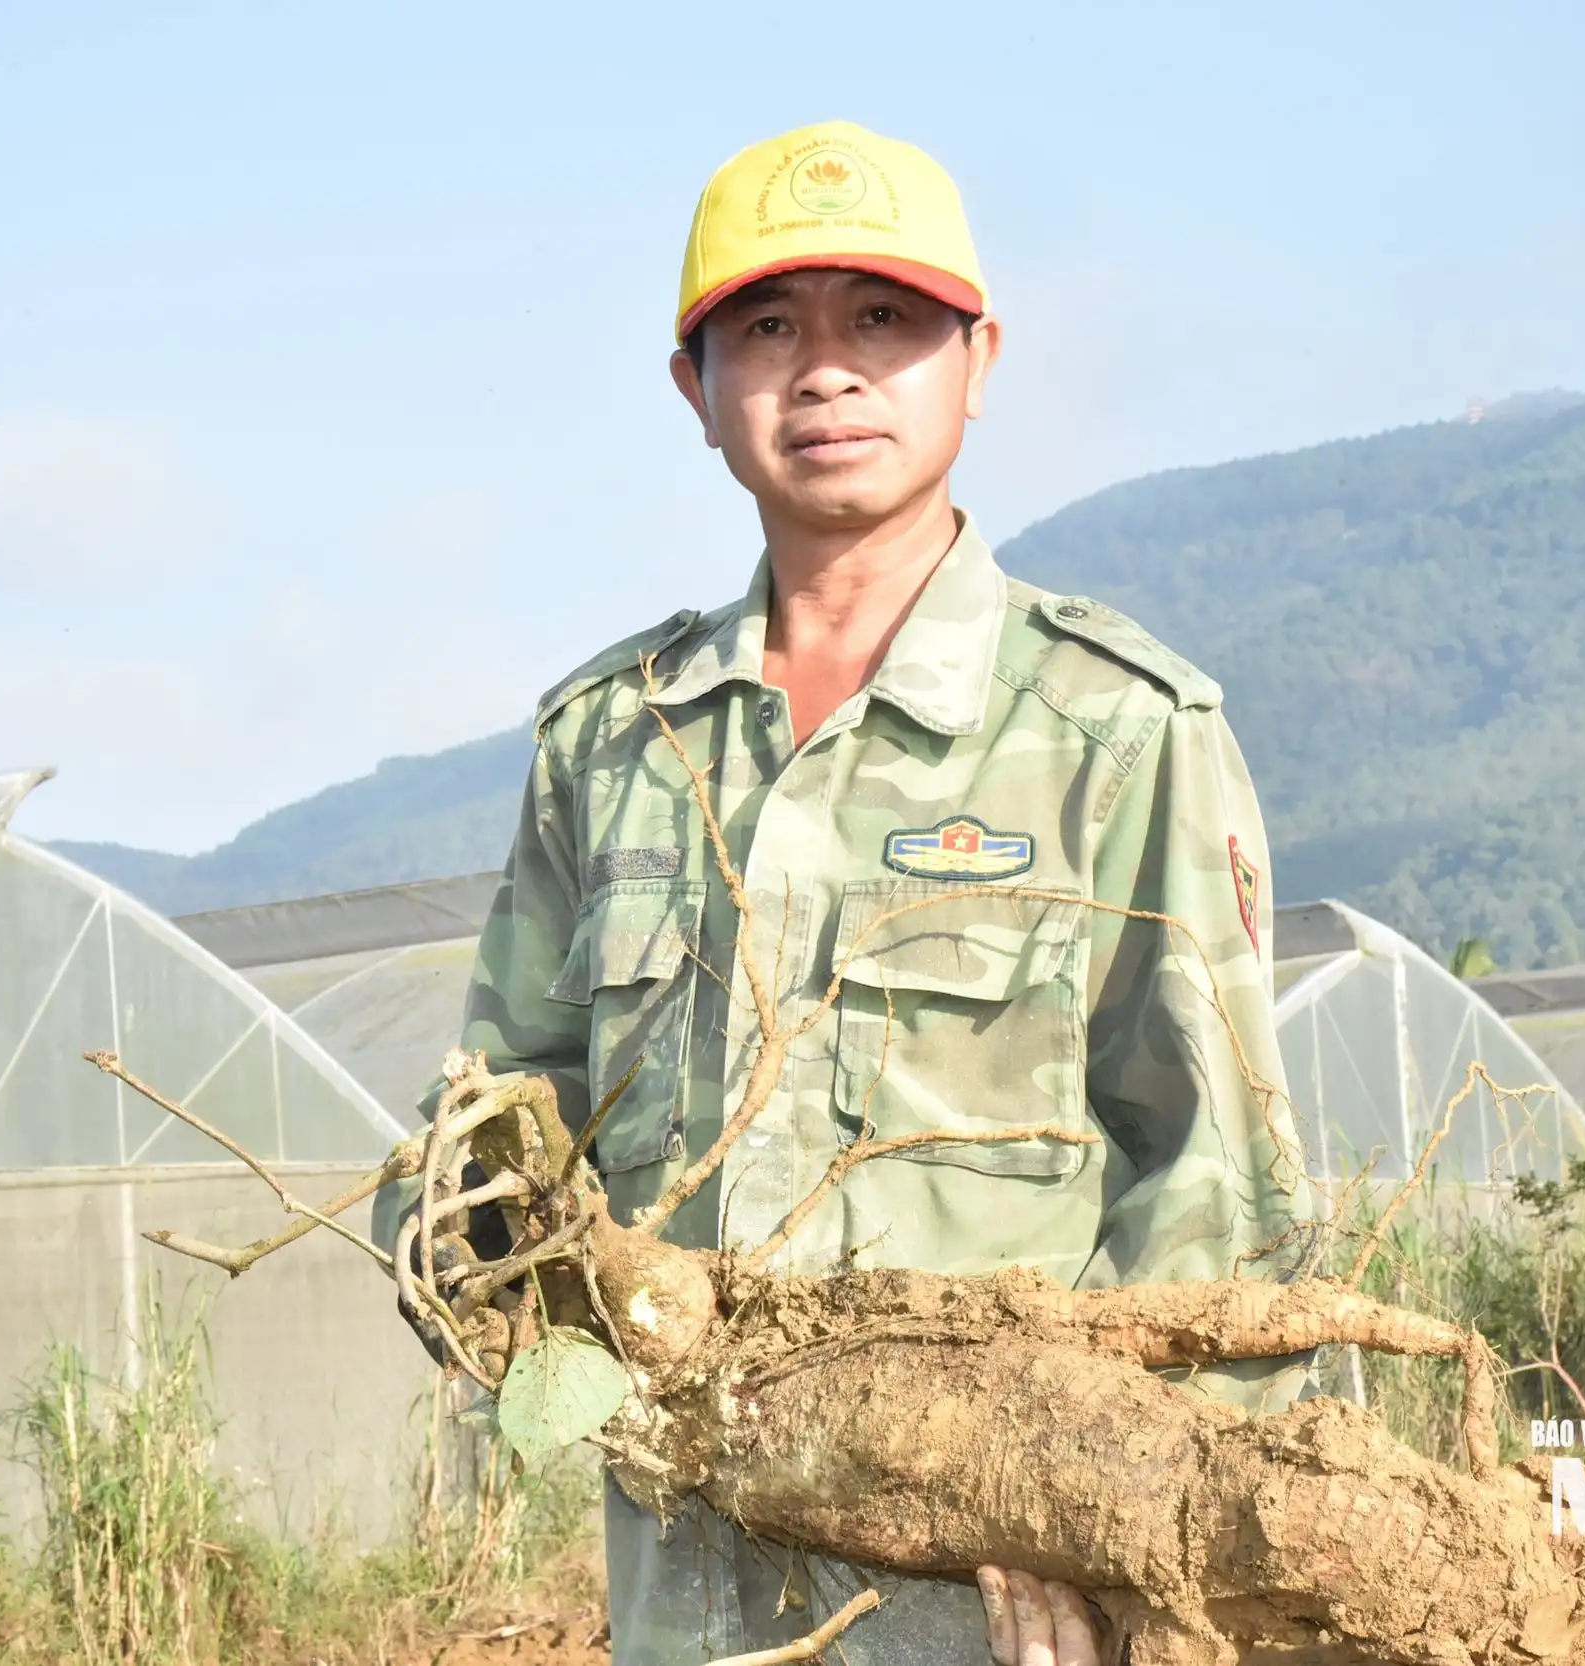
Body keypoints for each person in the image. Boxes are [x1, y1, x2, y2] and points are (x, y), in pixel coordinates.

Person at [423, 120, 1310, 1665]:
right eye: (768, 327)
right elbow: (496, 1120)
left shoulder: (1114, 730)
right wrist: (496, 1271)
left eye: (881, 321)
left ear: (977, 361)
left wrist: (1140, 1563)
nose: (825, 370)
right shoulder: (613, 744)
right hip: (682, 1604)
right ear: (695, 390)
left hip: (1000, 1610)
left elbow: (1219, 1199)